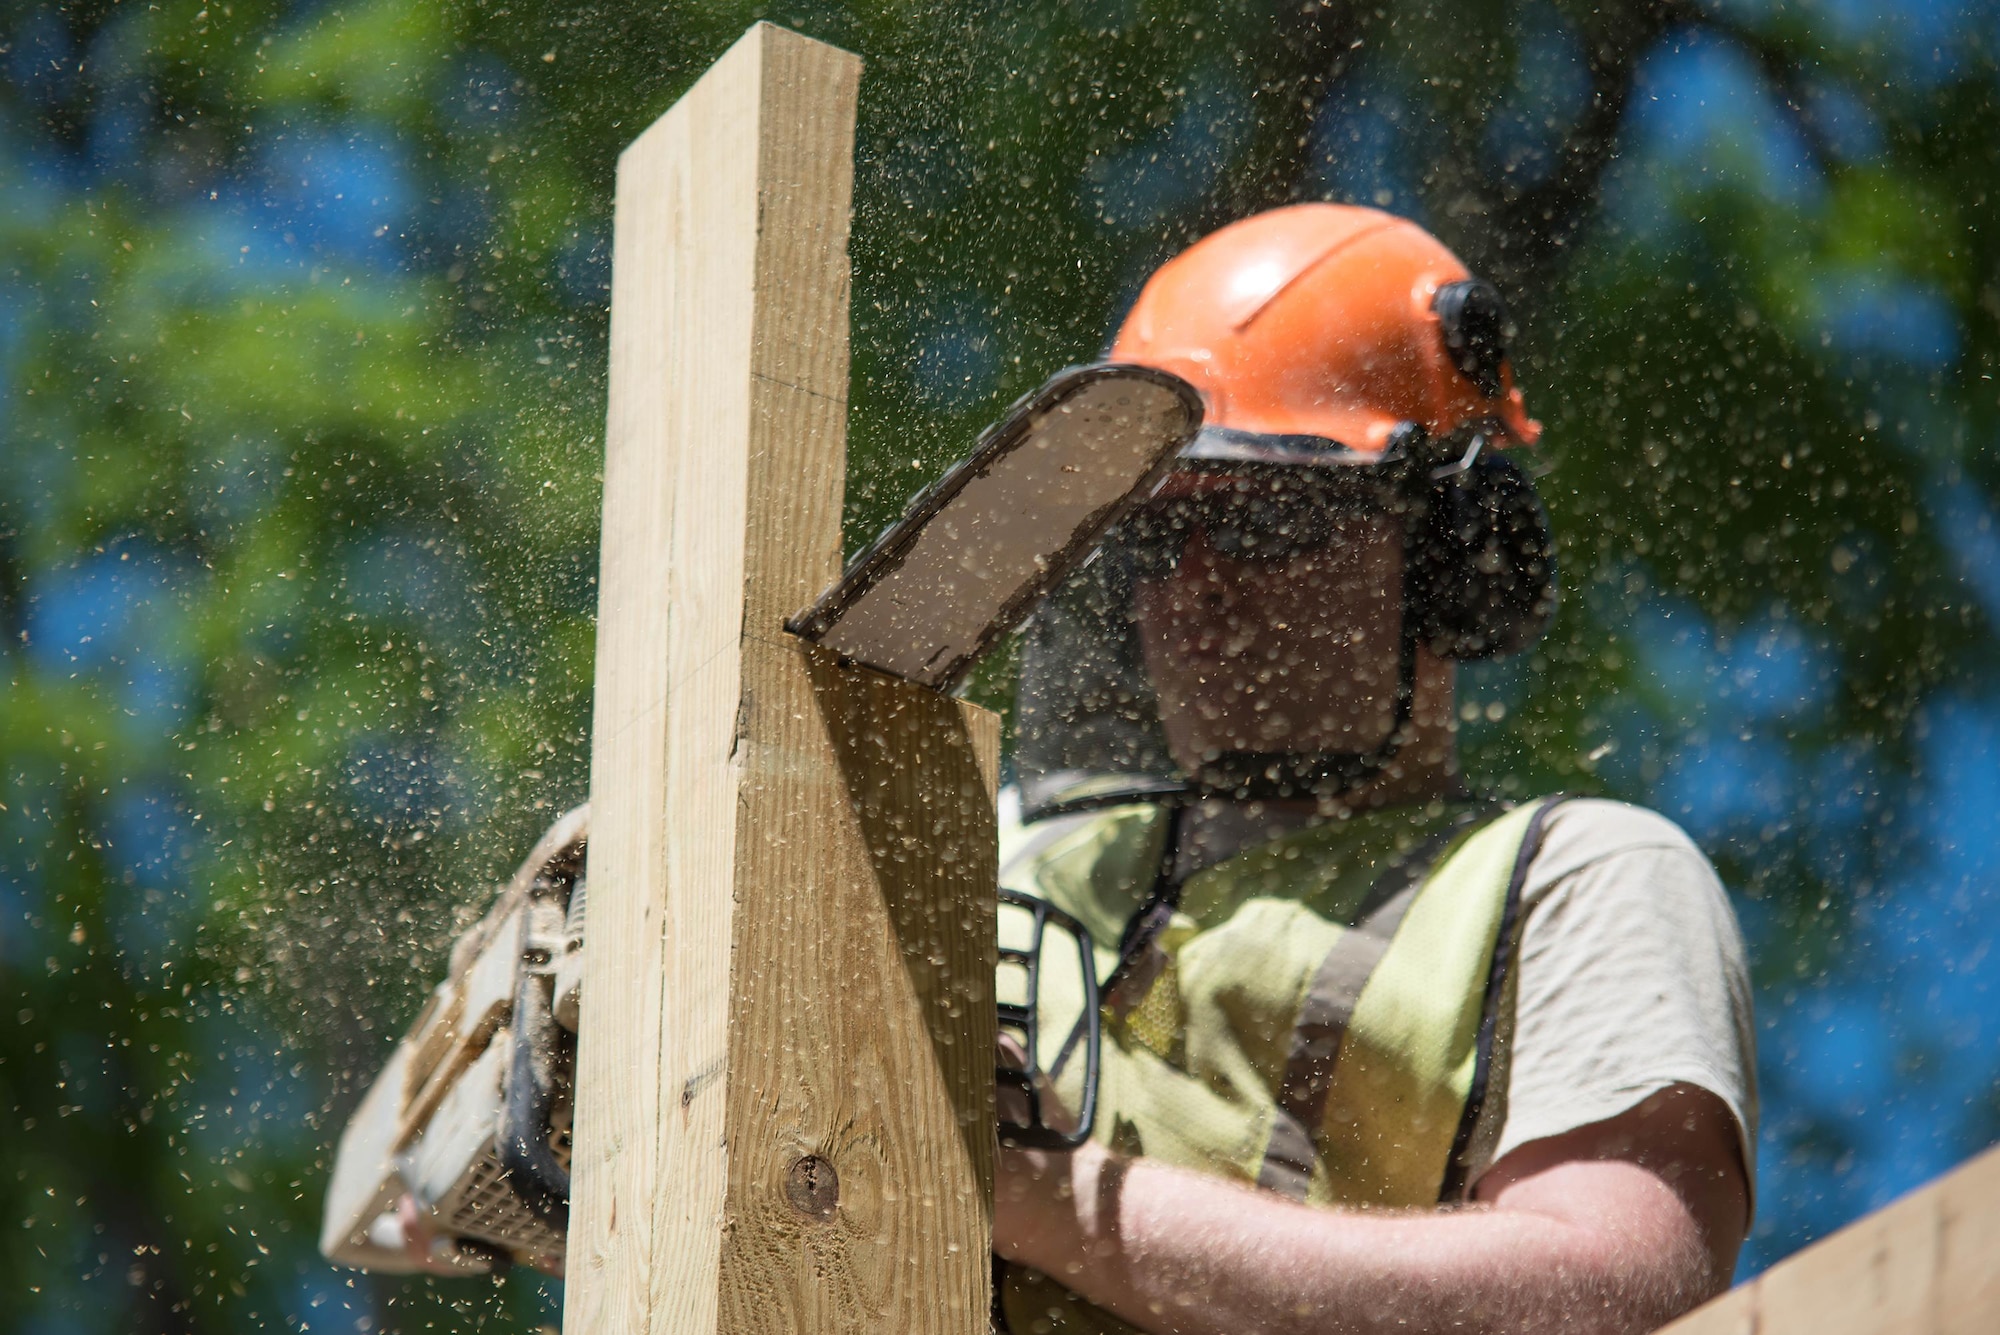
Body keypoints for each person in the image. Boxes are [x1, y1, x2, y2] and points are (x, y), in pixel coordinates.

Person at [990, 204, 1757, 1335]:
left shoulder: (1569, 878)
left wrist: (1037, 1196)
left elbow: (1609, 1293)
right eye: (1156, 538)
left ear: (1453, 560)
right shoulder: (1015, 848)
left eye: (1260, 526)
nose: (1191, 588)